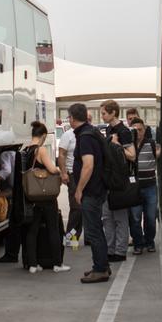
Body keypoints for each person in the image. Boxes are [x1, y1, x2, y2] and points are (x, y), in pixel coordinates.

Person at [69, 102, 110, 283]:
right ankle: (102, 266)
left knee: (93, 231)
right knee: (97, 230)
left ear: (71, 118)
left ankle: (100, 269)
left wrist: (79, 190)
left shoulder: (85, 137)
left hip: (91, 191)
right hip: (98, 188)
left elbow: (88, 165)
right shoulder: (91, 132)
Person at [23, 121, 70, 274]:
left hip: (32, 196)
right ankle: (57, 263)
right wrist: (59, 170)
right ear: (43, 136)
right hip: (46, 197)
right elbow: (50, 169)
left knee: (32, 231)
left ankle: (32, 264)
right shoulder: (41, 150)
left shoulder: (25, 150)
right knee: (52, 229)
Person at [99, 100, 135, 263]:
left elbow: (132, 155)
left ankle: (120, 251)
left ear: (113, 112)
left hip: (120, 180)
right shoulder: (108, 129)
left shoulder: (124, 131)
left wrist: (117, 144)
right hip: (108, 179)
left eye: (104, 113)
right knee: (107, 218)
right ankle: (110, 249)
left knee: (120, 218)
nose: (102, 116)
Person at [128, 117, 160, 254]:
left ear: (145, 130)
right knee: (135, 218)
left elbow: (159, 154)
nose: (138, 133)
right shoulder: (128, 147)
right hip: (134, 188)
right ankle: (138, 243)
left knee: (151, 217)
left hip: (150, 187)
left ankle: (149, 241)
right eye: (134, 130)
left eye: (140, 130)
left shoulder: (151, 144)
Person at [0, 150, 21, 264]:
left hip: (20, 194)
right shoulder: (14, 154)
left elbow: (6, 171)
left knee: (14, 225)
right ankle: (13, 254)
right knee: (17, 224)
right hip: (21, 192)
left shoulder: (4, 154)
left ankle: (11, 255)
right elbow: (11, 191)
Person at [58, 125, 82, 241]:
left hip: (86, 175)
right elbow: (61, 154)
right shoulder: (68, 135)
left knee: (83, 207)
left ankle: (77, 236)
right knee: (76, 206)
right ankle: (70, 237)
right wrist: (63, 173)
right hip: (72, 174)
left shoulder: (88, 133)